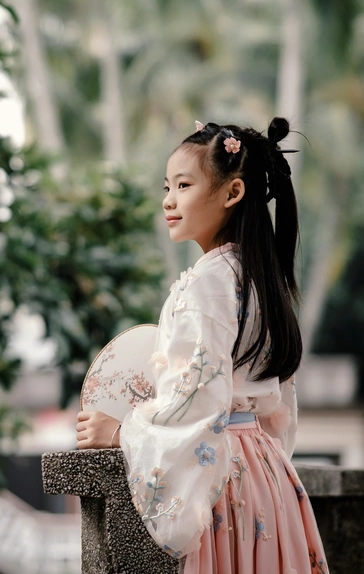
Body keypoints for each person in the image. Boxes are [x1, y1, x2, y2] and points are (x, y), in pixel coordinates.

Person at [76, 118, 328, 573]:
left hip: (223, 476)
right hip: (266, 473)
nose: (168, 200)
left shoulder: (207, 283)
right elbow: (277, 402)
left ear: (233, 193)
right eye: (167, 187)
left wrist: (119, 433)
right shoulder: (261, 279)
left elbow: (196, 401)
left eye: (183, 185)